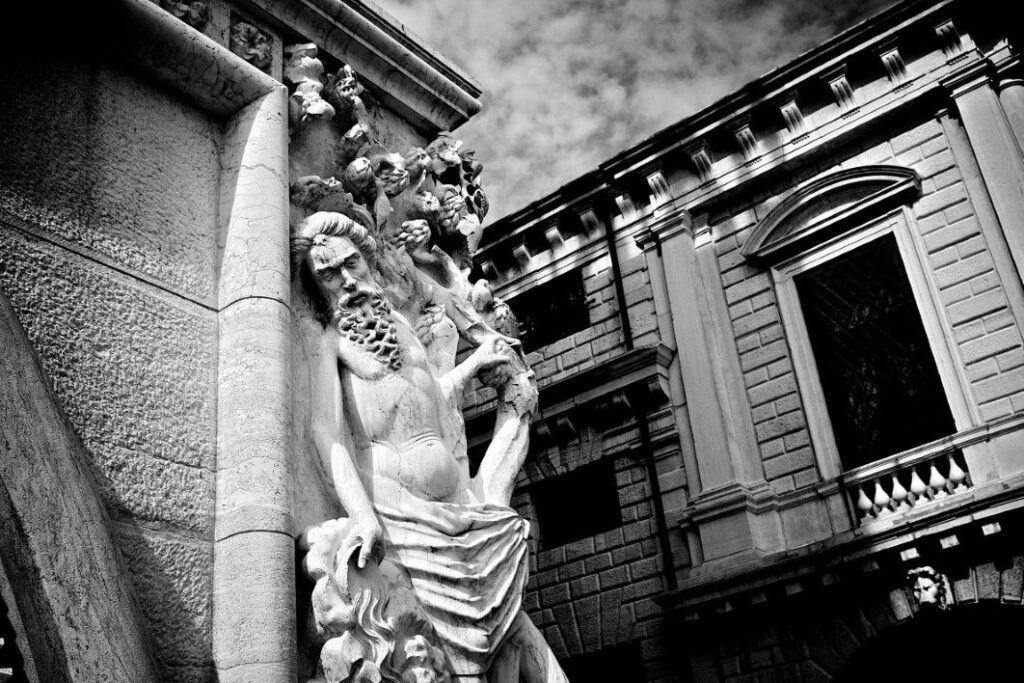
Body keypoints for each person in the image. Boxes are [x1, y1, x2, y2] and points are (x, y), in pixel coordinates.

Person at [293, 212, 568, 682]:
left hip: (461, 512)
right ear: (317, 286)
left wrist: (475, 360)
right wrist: (362, 517)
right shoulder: (330, 343)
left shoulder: (400, 322)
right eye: (329, 275)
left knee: (513, 637)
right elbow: (326, 435)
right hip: (402, 519)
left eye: (352, 264)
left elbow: (427, 402)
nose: (346, 280)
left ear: (368, 261)